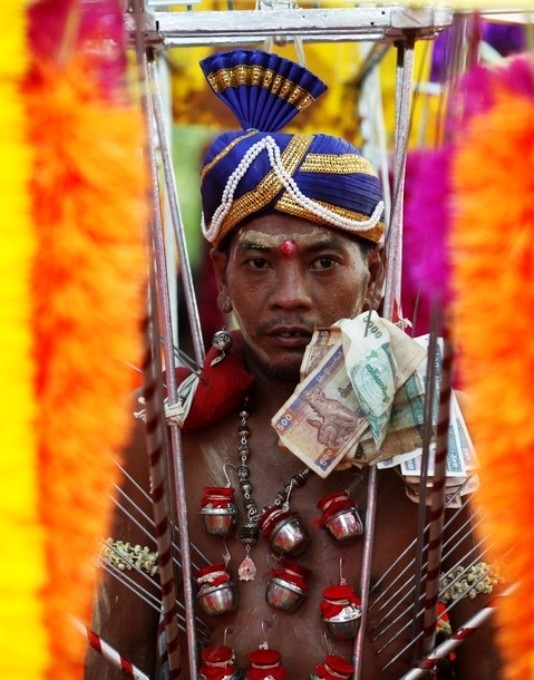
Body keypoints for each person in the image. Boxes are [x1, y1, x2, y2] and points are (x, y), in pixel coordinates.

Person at [85, 49, 502, 679]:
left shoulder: (440, 450)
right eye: (259, 264)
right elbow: (115, 659)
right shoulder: (157, 447)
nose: (290, 295)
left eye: (324, 262)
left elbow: (495, 659)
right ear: (221, 280)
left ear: (374, 276)